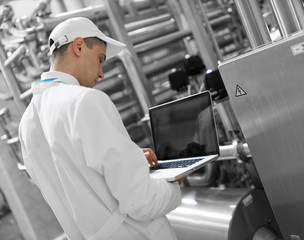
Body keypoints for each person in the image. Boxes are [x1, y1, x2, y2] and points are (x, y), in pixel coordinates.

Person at [18, 17, 182, 240]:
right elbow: (142, 203)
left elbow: (77, 181)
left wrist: (130, 159)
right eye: (100, 59)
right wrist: (174, 180)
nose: (101, 73)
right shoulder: (86, 101)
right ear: (78, 46)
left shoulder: (27, 123)